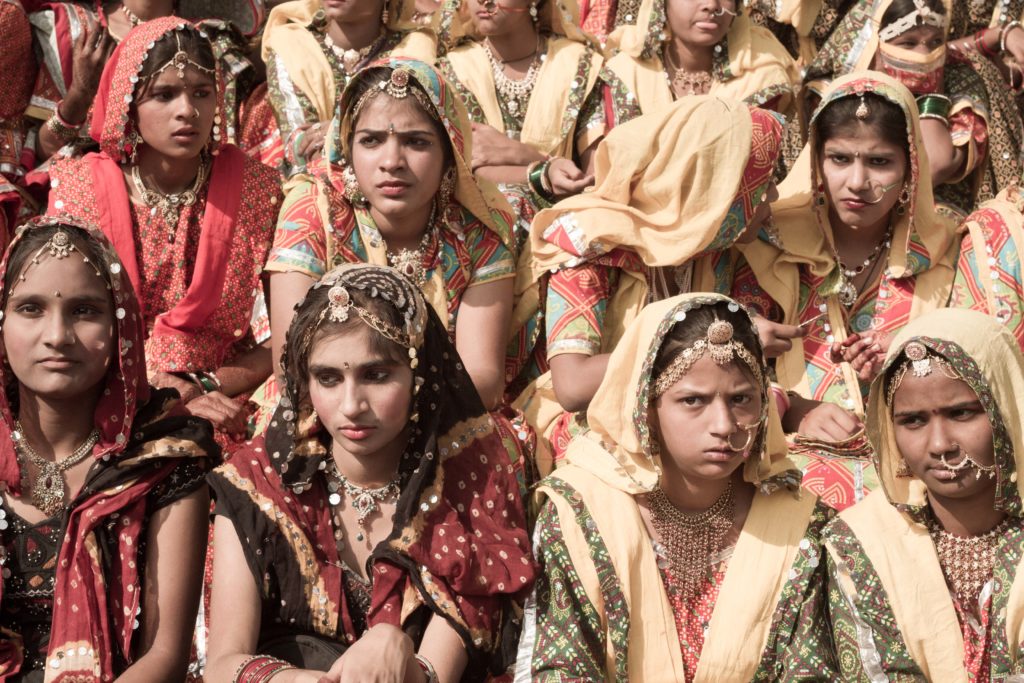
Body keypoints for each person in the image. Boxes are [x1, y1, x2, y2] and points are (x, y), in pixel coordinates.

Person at [205, 263, 533, 682]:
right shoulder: (258, 482)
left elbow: (435, 672)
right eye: (328, 378)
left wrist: (396, 652)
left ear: (419, 374)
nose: (351, 404)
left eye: (376, 375)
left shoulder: (467, 482)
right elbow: (223, 665)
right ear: (304, 383)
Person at [516, 294, 835, 680]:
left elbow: (811, 670)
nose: (723, 424)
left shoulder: (799, 524)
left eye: (741, 399)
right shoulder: (582, 512)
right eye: (693, 400)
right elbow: (561, 667)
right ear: (646, 408)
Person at [715, 72, 960, 510]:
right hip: (786, 465)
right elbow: (721, 364)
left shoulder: (948, 246)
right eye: (840, 159)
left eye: (880, 162)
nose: (857, 181)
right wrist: (792, 408)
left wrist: (910, 360)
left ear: (911, 168)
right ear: (816, 163)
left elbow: (985, 365)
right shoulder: (768, 242)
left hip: (924, 465)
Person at [515, 96, 782, 472]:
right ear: (712, 185)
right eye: (758, 185)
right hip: (594, 422)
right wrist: (719, 342)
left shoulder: (716, 247)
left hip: (699, 414)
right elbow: (572, 384)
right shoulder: (593, 243)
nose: (773, 197)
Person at [45, 18, 281, 442]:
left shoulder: (258, 190)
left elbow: (285, 333)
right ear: (127, 104)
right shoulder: (80, 189)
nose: (187, 110)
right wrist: (164, 395)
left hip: (226, 393)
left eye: (201, 93)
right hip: (104, 392)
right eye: (164, 94)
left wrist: (205, 388)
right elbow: (64, 323)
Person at [0, 216, 215, 681]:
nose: (57, 336)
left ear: (122, 328)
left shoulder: (162, 462)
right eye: (30, 308)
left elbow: (164, 656)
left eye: (84, 311)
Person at [267, 59, 517, 413]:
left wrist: (391, 415)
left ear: (450, 157)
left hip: (445, 415)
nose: (392, 161)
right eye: (371, 141)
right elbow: (289, 366)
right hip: (319, 411)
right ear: (348, 151)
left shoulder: (478, 230)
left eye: (416, 142)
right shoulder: (314, 211)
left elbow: (483, 379)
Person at [823, 308, 1024, 679]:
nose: (939, 445)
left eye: (962, 413)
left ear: (1005, 408)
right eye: (913, 420)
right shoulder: (861, 542)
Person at [804, 0, 1023, 215]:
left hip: (934, 223)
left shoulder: (959, 80)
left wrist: (931, 93)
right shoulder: (831, 94)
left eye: (935, 42)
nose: (923, 54)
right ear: (872, 45)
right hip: (843, 214)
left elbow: (935, 166)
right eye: (908, 43)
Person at [436, 0, 605, 215]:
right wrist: (545, 171)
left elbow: (595, 183)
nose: (483, 1)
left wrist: (519, 153)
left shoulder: (578, 65)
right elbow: (462, 173)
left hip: (565, 224)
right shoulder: (452, 70)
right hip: (477, 224)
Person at [262, 0, 436, 177]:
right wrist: (366, 136)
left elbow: (407, 130)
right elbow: (301, 145)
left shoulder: (414, 48)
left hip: (393, 180)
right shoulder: (291, 43)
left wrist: (339, 131)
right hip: (312, 183)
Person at [601, 0, 800, 127]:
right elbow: (620, 164)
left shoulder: (761, 71)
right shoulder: (628, 72)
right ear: (662, 4)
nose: (711, 5)